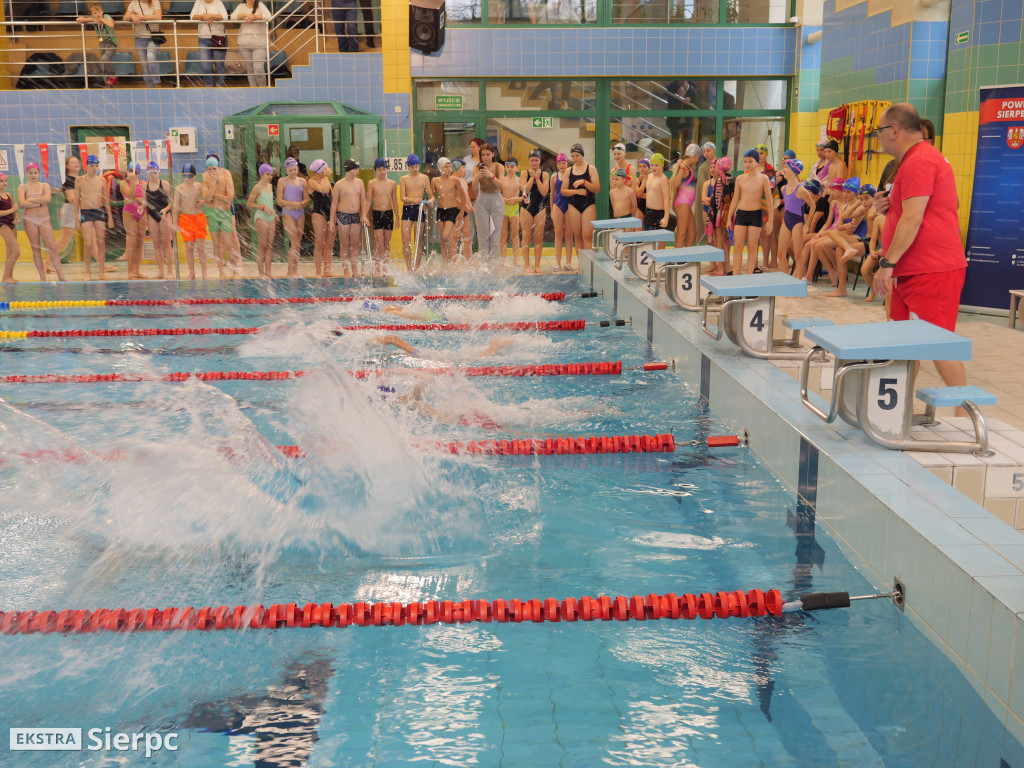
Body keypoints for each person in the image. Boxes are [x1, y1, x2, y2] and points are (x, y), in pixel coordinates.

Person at [871, 103, 969, 395]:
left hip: (931, 269)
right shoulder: (913, 160)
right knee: (903, 344)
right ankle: (897, 410)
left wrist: (886, 264)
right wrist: (885, 207)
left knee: (938, 343)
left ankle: (967, 417)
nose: (878, 137)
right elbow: (915, 212)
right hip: (910, 269)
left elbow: (914, 219)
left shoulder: (920, 161)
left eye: (879, 131)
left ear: (895, 130)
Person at [14, 162, 64, 282]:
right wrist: (40, 202)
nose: (33, 175)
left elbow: (47, 199)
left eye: (35, 172)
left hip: (44, 219)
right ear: (27, 173)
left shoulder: (45, 185)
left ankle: (61, 276)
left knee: (52, 248)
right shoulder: (23, 187)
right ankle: (42, 277)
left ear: (39, 173)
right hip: (30, 220)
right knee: (36, 249)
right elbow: (21, 203)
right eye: (30, 173)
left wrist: (30, 200)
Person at [726, 149, 773, 275]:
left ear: (757, 162)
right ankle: (736, 276)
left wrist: (770, 221)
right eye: (745, 162)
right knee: (737, 247)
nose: (747, 164)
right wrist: (729, 217)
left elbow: (769, 201)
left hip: (755, 215)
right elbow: (735, 199)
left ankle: (749, 277)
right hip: (741, 214)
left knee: (752, 248)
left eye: (750, 161)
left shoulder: (764, 179)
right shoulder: (740, 179)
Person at [201, 152, 242, 277]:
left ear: (219, 168)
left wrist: (214, 195)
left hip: (225, 213)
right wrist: (212, 184)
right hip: (212, 213)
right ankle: (221, 272)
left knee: (229, 244)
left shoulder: (227, 178)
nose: (212, 171)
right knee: (216, 244)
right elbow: (207, 199)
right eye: (210, 169)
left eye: (214, 168)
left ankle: (235, 270)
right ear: (206, 170)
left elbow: (230, 198)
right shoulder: (206, 180)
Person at [74, 154, 114, 281]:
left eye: (96, 165)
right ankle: (88, 273)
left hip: (98, 212)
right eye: (92, 165)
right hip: (86, 213)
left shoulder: (102, 180)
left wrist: (111, 217)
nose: (94, 168)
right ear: (86, 166)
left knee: (101, 243)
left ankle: (101, 273)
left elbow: (106, 200)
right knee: (88, 244)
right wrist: (76, 217)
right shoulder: (79, 180)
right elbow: (76, 200)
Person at [329, 158, 367, 278]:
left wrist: (364, 215)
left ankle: (355, 271)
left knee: (355, 244)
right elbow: (334, 204)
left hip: (355, 216)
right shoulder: (339, 184)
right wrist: (331, 220)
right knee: (344, 244)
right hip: (342, 216)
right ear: (349, 170)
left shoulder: (360, 182)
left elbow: (363, 201)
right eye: (355, 169)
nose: (357, 171)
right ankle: (346, 272)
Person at [171, 162, 209, 280]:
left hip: (198, 218)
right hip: (185, 219)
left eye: (190, 176)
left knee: (201, 248)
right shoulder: (179, 189)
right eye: (185, 176)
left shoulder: (200, 186)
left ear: (195, 176)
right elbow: (176, 206)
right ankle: (191, 272)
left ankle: (204, 273)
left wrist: (203, 202)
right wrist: (174, 223)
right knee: (189, 247)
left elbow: (208, 198)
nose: (188, 179)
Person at [431, 157, 468, 265]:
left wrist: (461, 212)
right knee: (443, 241)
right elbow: (432, 196)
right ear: (440, 168)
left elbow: (463, 196)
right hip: (440, 210)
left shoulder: (455, 180)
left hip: (452, 210)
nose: (448, 169)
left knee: (445, 236)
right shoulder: (435, 181)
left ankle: (450, 260)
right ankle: (445, 263)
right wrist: (430, 203)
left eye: (450, 166)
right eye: (446, 167)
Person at [471, 144, 504, 263]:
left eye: (488, 154)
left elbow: (501, 186)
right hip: (482, 199)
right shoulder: (477, 168)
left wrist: (491, 176)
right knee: (483, 234)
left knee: (495, 234)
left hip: (496, 199)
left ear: (493, 154)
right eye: (483, 155)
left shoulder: (498, 166)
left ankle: (494, 263)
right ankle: (483, 263)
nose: (485, 157)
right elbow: (474, 188)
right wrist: (477, 177)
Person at [399, 153, 433, 270]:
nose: (415, 169)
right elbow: (402, 197)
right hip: (407, 209)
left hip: (419, 210)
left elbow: (431, 196)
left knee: (418, 240)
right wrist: (414, 200)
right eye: (412, 166)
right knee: (406, 241)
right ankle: (409, 268)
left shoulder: (424, 178)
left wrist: (429, 202)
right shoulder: (404, 179)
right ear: (408, 167)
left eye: (417, 166)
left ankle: (417, 267)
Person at [563, 143, 599, 250]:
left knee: (587, 236)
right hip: (573, 205)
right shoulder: (569, 170)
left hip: (588, 204)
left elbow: (597, 189)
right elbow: (563, 191)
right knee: (578, 237)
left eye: (577, 156)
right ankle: (581, 266)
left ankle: (588, 266)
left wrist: (584, 182)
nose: (574, 158)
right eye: (573, 156)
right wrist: (577, 192)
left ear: (582, 155)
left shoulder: (591, 169)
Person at [366, 157, 398, 276]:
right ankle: (377, 268)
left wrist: (398, 217)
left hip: (389, 214)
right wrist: (364, 215)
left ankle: (385, 268)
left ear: (386, 169)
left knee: (387, 243)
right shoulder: (372, 183)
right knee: (379, 242)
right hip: (377, 213)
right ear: (376, 170)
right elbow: (368, 200)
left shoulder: (392, 183)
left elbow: (394, 200)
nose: (382, 172)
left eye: (384, 169)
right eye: (379, 169)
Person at [276, 156, 308, 277]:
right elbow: (279, 201)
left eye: (295, 169)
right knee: (294, 242)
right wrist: (294, 204)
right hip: (288, 214)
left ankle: (295, 270)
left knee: (297, 243)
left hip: (300, 214)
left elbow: (306, 199)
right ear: (286, 171)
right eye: (290, 170)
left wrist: (301, 204)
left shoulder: (303, 181)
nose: (293, 172)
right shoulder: (282, 181)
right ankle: (290, 272)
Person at [519, 148, 549, 274]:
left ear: (540, 160)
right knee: (526, 238)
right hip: (526, 208)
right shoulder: (524, 174)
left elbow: (544, 192)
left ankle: (537, 265)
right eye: (532, 160)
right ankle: (527, 266)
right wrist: (532, 178)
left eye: (536, 160)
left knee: (538, 238)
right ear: (529, 161)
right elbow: (525, 191)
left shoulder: (545, 175)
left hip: (540, 208)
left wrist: (537, 178)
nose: (534, 163)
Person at [246, 162, 277, 278]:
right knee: (262, 245)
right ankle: (261, 272)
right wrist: (262, 207)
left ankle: (268, 272)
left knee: (270, 245)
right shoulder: (257, 188)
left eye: (271, 174)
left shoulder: (270, 186)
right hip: (261, 217)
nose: (270, 177)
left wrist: (274, 212)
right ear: (261, 175)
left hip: (271, 217)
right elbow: (249, 204)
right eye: (267, 174)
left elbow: (269, 202)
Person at [76, 1, 119, 86]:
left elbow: (111, 25)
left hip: (111, 43)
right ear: (92, 14)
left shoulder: (106, 16)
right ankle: (108, 84)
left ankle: (113, 76)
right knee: (103, 64)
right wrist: (92, 19)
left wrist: (102, 19)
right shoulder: (93, 18)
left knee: (104, 58)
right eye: (95, 13)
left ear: (102, 11)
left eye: (99, 12)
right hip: (102, 43)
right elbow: (78, 19)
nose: (98, 14)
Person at [231, 0, 271, 87]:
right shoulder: (241, 6)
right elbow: (233, 17)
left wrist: (254, 17)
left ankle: (262, 89)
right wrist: (246, 15)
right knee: (250, 68)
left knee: (258, 69)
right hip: (243, 43)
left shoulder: (260, 5)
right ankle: (253, 90)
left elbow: (268, 16)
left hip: (260, 44)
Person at [118, 162, 147, 279]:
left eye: (136, 172)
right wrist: (134, 184)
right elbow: (130, 196)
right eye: (131, 171)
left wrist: (142, 203)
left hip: (142, 213)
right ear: (127, 172)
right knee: (131, 243)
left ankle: (136, 271)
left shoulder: (144, 183)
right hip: (129, 212)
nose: (133, 174)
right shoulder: (123, 183)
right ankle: (130, 272)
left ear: (139, 173)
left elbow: (146, 200)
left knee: (140, 243)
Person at [145, 161, 173, 278]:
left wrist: (166, 209)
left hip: (164, 215)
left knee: (166, 243)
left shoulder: (165, 184)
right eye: (150, 173)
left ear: (158, 173)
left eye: (155, 172)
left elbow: (172, 202)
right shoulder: (145, 186)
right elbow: (145, 202)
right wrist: (144, 213)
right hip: (152, 216)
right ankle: (161, 272)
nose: (153, 175)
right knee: (156, 244)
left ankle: (170, 271)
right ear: (147, 174)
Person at [776, 157, 804, 276]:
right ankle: (785, 280)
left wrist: (806, 225)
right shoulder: (783, 188)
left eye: (786, 167)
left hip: (797, 221)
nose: (783, 170)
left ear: (794, 170)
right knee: (781, 254)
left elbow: (812, 206)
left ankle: (798, 281)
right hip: (786, 220)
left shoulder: (801, 189)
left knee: (798, 255)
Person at [124, 0, 162, 89]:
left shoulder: (155, 1)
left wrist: (142, 17)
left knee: (151, 56)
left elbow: (158, 16)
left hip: (153, 37)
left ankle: (157, 82)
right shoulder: (134, 3)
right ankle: (149, 89)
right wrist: (132, 16)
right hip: (139, 38)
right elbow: (125, 17)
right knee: (145, 66)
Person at [307, 158, 334, 277]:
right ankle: (318, 272)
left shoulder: (325, 180)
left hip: (329, 213)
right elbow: (324, 190)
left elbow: (331, 195)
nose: (328, 170)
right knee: (319, 243)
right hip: (318, 213)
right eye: (325, 169)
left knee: (329, 244)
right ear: (320, 170)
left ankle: (327, 271)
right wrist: (327, 177)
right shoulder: (311, 182)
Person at [191, 0, 228, 87]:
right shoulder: (198, 2)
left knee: (219, 65)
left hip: (219, 37)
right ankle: (209, 87)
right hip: (203, 38)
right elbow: (192, 16)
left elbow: (225, 17)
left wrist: (211, 16)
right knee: (205, 66)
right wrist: (203, 17)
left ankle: (220, 85)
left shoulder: (218, 2)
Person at [669, 143, 700, 247]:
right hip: (682, 204)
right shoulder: (684, 168)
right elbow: (675, 184)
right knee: (682, 234)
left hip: (686, 204)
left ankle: (686, 259)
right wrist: (682, 168)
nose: (698, 160)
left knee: (692, 233)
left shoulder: (688, 167)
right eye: (697, 157)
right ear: (693, 156)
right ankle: (677, 261)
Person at [54, 155, 81, 261]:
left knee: (91, 238)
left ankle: (102, 264)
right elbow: (71, 199)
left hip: (78, 210)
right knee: (63, 241)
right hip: (71, 211)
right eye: (73, 163)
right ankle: (46, 263)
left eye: (77, 162)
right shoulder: (69, 180)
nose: (76, 164)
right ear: (68, 166)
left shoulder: (79, 179)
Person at [499, 156, 522, 267]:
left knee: (515, 235)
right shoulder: (502, 180)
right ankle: (503, 259)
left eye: (512, 166)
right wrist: (502, 199)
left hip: (514, 209)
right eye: (507, 166)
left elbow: (526, 197)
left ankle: (515, 260)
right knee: (503, 234)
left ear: (517, 168)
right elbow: (496, 194)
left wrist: (517, 199)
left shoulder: (520, 181)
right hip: (503, 208)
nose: (509, 169)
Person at [551, 153, 572, 272]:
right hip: (557, 205)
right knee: (558, 235)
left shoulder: (571, 175)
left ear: (567, 163)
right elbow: (552, 194)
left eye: (563, 163)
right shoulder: (554, 177)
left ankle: (569, 263)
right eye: (559, 163)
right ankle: (557, 263)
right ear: (557, 164)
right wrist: (552, 209)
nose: (561, 165)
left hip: (569, 206)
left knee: (568, 235)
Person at [693, 142, 716, 240]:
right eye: (704, 152)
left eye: (709, 151)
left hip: (721, 203)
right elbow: (702, 190)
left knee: (720, 234)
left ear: (714, 151)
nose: (706, 154)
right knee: (708, 233)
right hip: (708, 203)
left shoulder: (722, 164)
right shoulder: (702, 168)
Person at [451, 160, 473, 261]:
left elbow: (466, 195)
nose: (465, 170)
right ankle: (453, 262)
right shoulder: (452, 180)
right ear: (456, 168)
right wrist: (464, 206)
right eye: (463, 167)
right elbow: (454, 197)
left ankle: (468, 261)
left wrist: (469, 205)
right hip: (455, 211)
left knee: (467, 237)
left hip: (464, 211)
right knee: (454, 239)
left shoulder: (463, 180)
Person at [642, 153, 670, 231]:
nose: (654, 167)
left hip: (659, 213)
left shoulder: (663, 179)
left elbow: (666, 199)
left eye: (657, 165)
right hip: (648, 211)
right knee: (648, 237)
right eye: (652, 165)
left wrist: (666, 217)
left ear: (662, 166)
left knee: (660, 238)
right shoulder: (649, 176)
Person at [0, 175, 20, 284]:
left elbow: (15, 209)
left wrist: (16, 217)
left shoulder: (8, 195)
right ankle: (5, 277)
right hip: (2, 224)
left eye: (5, 180)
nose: (4, 183)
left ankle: (9, 276)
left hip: (11, 223)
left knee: (10, 252)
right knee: (17, 252)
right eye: (1, 181)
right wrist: (12, 210)